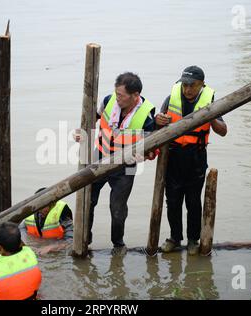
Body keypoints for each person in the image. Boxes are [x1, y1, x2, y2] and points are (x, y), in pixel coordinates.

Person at [75, 72, 156, 253]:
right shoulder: (108, 101)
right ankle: (84, 240)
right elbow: (92, 119)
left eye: (121, 95)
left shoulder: (147, 118)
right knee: (88, 200)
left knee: (117, 208)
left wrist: (145, 154)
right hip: (100, 157)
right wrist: (81, 133)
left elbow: (152, 149)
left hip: (125, 166)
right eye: (116, 93)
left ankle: (118, 244)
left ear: (135, 96)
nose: (117, 98)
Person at [155, 66, 227, 255]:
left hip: (196, 156)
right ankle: (174, 238)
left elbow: (223, 131)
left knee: (193, 202)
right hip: (173, 157)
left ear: (202, 84)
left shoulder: (210, 101)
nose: (187, 89)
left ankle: (193, 240)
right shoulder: (171, 99)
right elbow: (158, 125)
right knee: (173, 200)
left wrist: (211, 118)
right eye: (184, 84)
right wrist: (159, 120)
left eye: (192, 85)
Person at [20, 187, 73, 254]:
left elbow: (72, 240)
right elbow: (21, 229)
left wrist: (52, 247)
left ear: (53, 203)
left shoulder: (62, 213)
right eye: (40, 206)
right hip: (38, 249)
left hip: (58, 252)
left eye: (46, 205)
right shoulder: (32, 213)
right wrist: (27, 242)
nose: (44, 209)